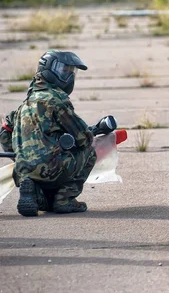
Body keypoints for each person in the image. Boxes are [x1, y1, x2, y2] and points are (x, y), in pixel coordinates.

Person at [0, 50, 97, 216]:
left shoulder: (25, 104)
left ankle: (35, 194)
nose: (69, 76)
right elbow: (83, 138)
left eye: (70, 72)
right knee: (90, 152)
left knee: (41, 185)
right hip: (54, 169)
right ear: (47, 70)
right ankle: (64, 199)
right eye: (63, 70)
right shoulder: (56, 99)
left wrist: (21, 155)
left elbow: (4, 131)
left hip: (22, 171)